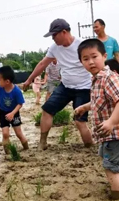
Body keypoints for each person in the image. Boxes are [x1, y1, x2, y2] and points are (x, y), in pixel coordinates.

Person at [74, 39, 119, 200]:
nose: (91, 62)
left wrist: (111, 122)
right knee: (109, 160)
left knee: (111, 167)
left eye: (94, 56)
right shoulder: (97, 79)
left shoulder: (109, 77)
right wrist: (84, 107)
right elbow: (98, 101)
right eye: (85, 59)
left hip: (117, 131)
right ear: (81, 62)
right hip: (109, 133)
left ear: (104, 56)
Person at [23, 18, 93, 150]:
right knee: (46, 110)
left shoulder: (82, 45)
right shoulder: (54, 48)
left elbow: (94, 63)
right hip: (65, 86)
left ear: (64, 32)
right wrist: (29, 79)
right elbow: (43, 63)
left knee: (79, 121)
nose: (53, 38)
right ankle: (42, 142)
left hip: (83, 87)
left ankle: (89, 146)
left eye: (54, 35)